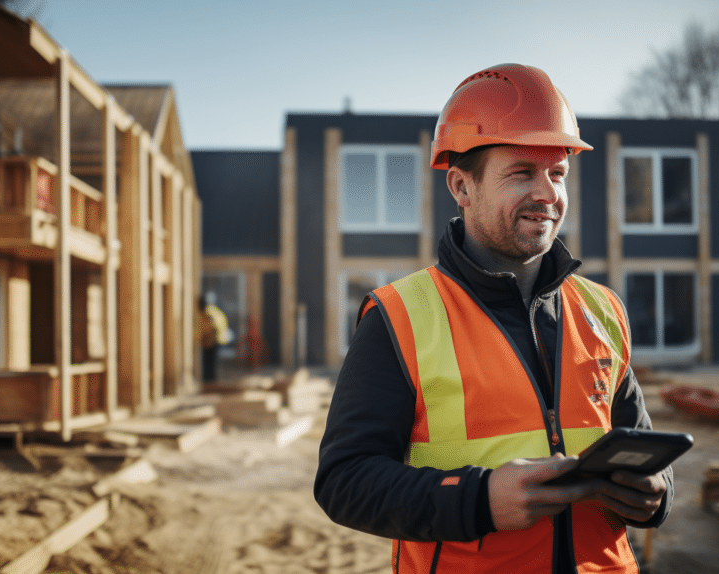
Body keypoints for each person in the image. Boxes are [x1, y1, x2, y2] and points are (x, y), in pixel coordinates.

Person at [314, 63, 673, 573]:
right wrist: (478, 500)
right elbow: (344, 482)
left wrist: (656, 496)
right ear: (461, 186)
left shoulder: (603, 311)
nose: (548, 194)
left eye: (557, 173)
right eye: (522, 173)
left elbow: (643, 450)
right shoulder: (399, 318)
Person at [198, 292, 230, 382]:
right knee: (210, 361)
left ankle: (209, 379)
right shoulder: (210, 310)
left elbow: (212, 327)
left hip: (212, 341)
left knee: (209, 361)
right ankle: (209, 378)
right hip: (213, 340)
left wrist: (203, 335)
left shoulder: (208, 312)